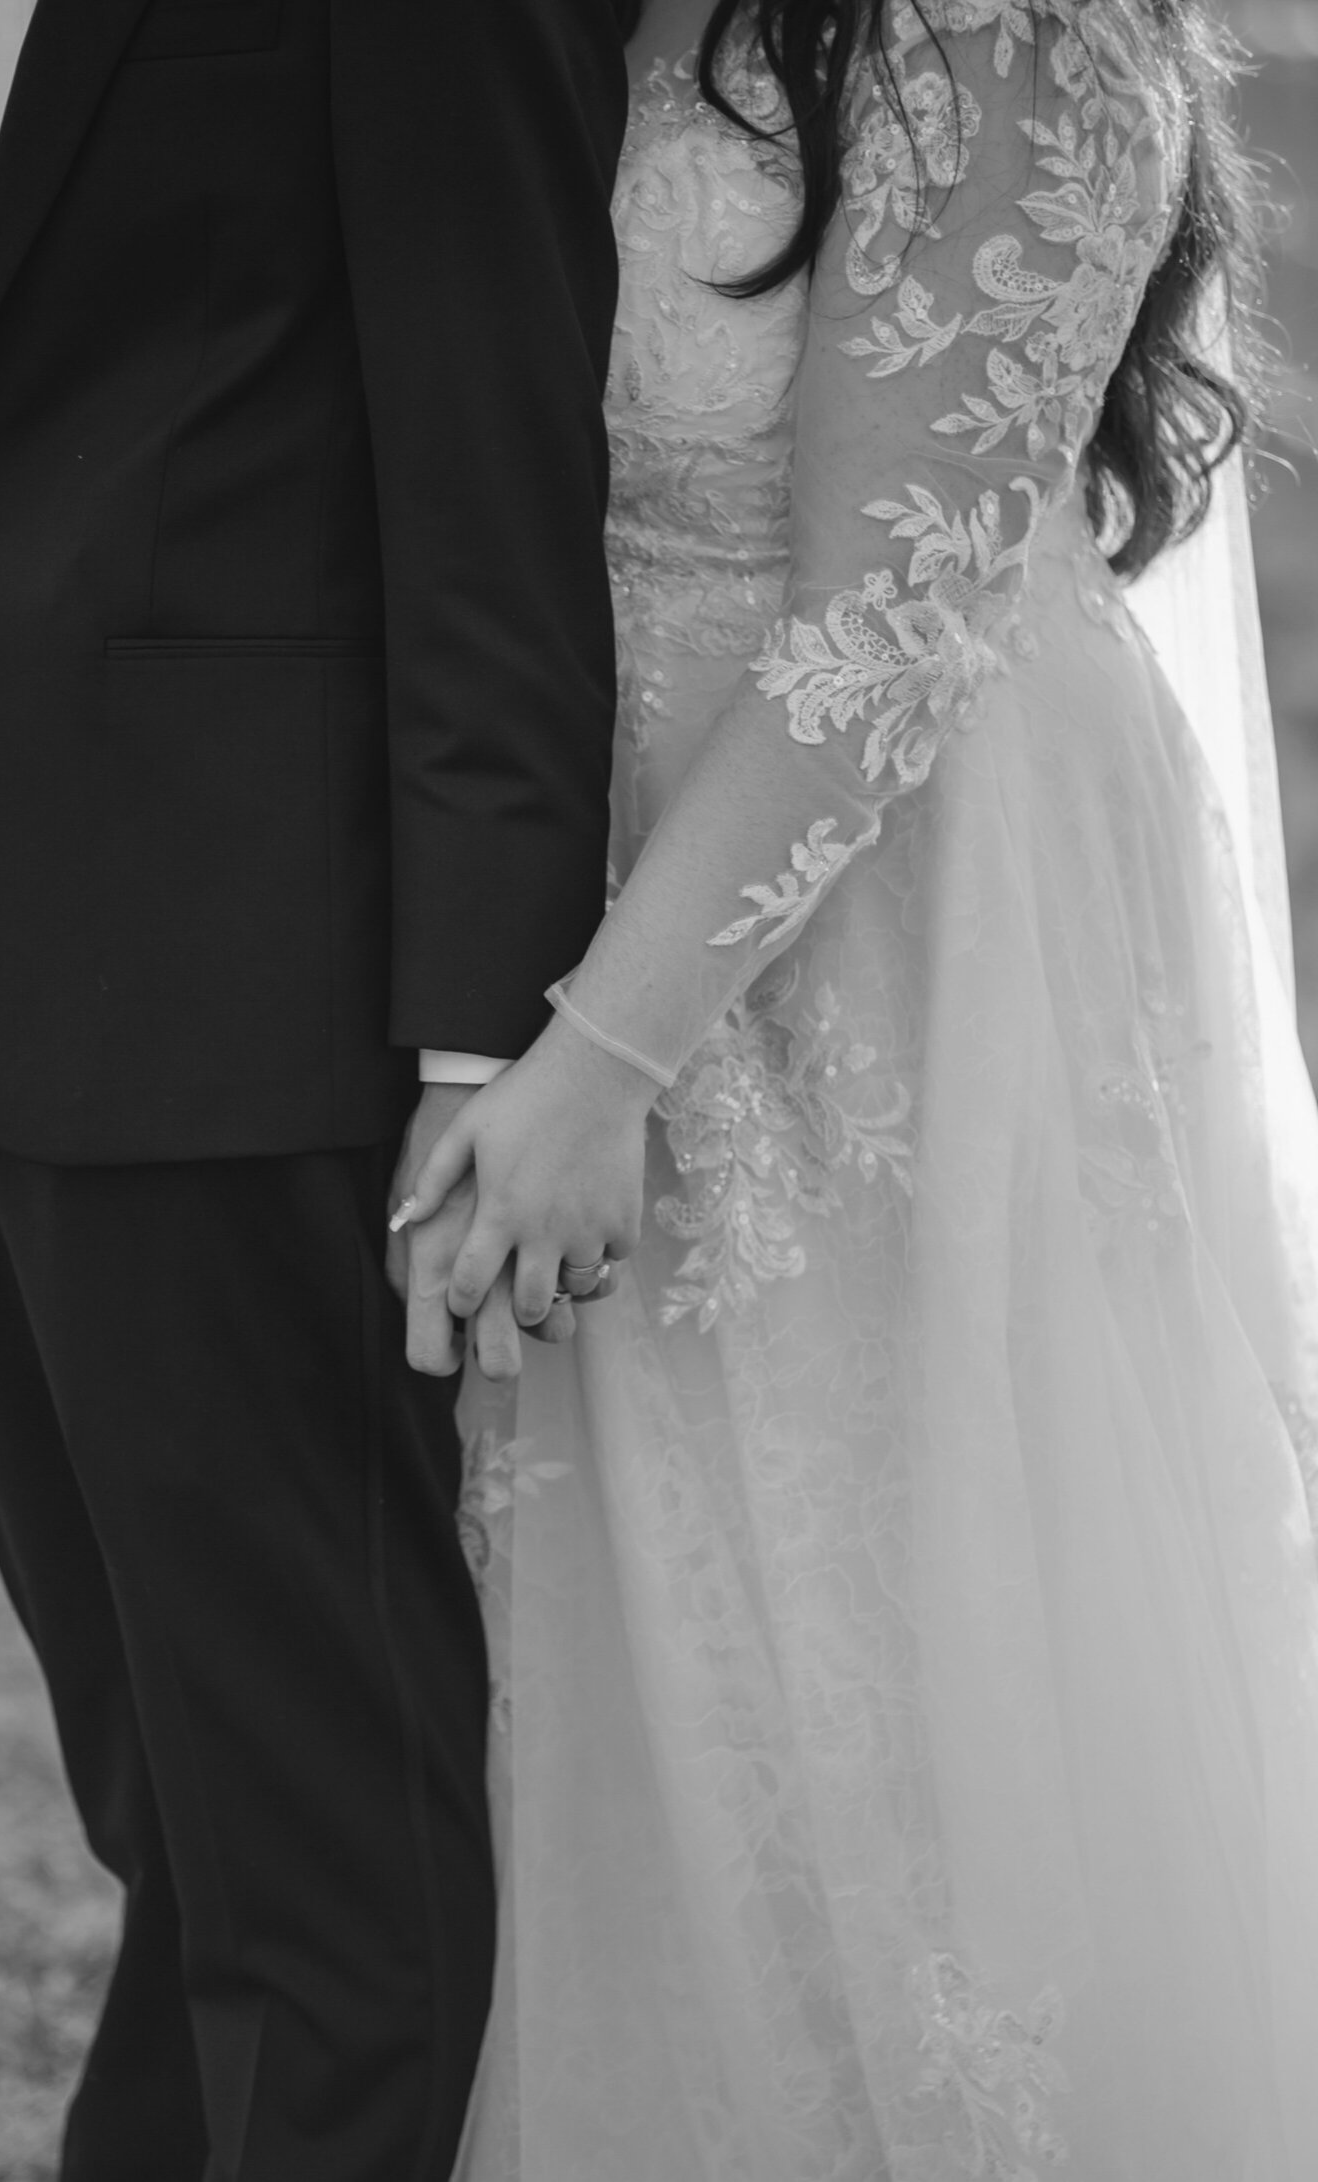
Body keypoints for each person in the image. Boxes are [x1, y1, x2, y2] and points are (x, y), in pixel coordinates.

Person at [394, 0, 1318, 2170]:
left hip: (898, 907)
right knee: (675, 1634)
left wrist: (596, 1056)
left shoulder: (1006, 29)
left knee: (912, 1610)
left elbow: (896, 606)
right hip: (607, 865)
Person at [0, 3, 627, 2177]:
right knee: (165, 1801)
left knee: (323, 1842)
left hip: (252, 989)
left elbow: (494, 428)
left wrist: (479, 1029)